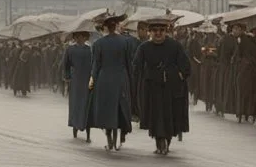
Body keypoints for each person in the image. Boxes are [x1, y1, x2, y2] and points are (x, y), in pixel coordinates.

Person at [133, 17, 191, 155]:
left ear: (166, 31)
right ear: (150, 32)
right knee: (155, 116)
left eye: (161, 31)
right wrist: (144, 78)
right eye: (155, 31)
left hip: (171, 89)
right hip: (152, 89)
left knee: (170, 116)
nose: (158, 34)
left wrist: (176, 76)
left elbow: (186, 67)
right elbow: (136, 67)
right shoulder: (144, 48)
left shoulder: (175, 46)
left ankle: (167, 140)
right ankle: (159, 142)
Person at [89, 13, 135, 151]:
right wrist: (130, 79)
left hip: (105, 78)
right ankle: (122, 134)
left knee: (106, 108)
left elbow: (96, 65)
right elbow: (128, 63)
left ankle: (109, 137)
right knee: (122, 105)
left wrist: (92, 79)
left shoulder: (98, 43)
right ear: (115, 26)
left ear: (105, 28)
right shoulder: (125, 42)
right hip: (121, 77)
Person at [62, 29, 93, 142]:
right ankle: (75, 129)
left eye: (82, 36)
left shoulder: (90, 50)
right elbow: (65, 65)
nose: (80, 38)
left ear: (85, 37)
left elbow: (94, 64)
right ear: (74, 37)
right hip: (75, 81)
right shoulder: (70, 49)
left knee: (87, 105)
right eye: (77, 36)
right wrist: (67, 77)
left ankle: (88, 133)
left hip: (87, 80)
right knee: (75, 105)